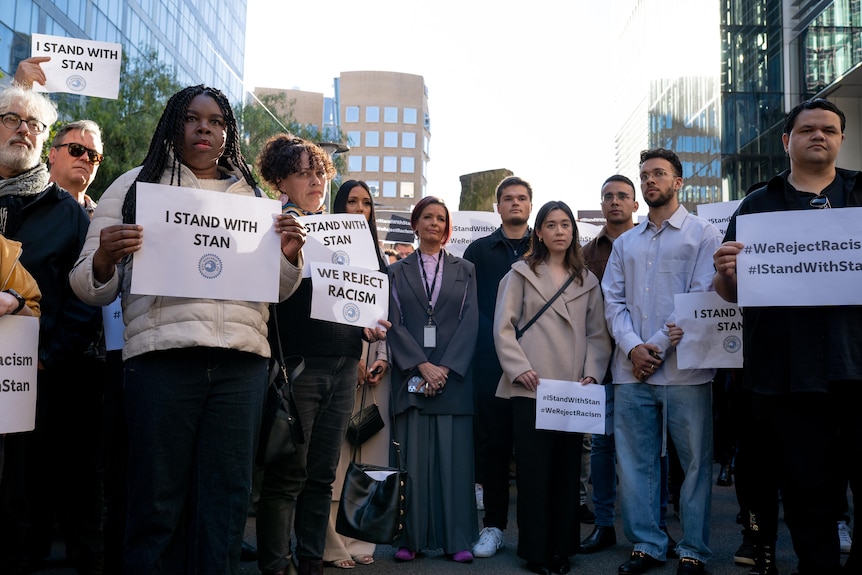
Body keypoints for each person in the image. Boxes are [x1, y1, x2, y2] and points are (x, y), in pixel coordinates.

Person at [69, 85, 305, 574]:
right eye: (193, 118)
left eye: (217, 121)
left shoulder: (252, 196)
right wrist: (106, 258)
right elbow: (87, 287)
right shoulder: (136, 186)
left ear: (227, 132)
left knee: (225, 502)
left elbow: (278, 292)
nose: (205, 127)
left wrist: (288, 258)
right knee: (156, 501)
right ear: (174, 125)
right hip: (161, 361)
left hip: (241, 366)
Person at [713, 97, 862, 575]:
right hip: (789, 377)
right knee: (806, 493)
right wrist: (726, 272)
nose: (818, 135)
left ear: (840, 139)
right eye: (806, 129)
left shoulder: (861, 195)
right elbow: (730, 295)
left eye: (828, 129)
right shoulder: (758, 204)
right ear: (787, 141)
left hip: (856, 368)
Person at [254, 141, 388, 575]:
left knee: (323, 472)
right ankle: (277, 563)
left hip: (345, 359)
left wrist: (368, 322)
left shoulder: (346, 230)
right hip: (299, 363)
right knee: (288, 471)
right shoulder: (269, 227)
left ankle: (311, 560)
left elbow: (362, 296)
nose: (316, 181)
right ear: (280, 181)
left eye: (320, 172)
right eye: (303, 173)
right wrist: (286, 249)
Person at [603, 148, 722, 575]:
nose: (651, 180)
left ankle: (693, 549)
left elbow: (699, 297)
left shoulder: (703, 234)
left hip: (686, 370)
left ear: (679, 182)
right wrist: (633, 348)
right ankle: (648, 544)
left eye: (659, 174)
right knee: (634, 464)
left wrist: (650, 349)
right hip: (629, 370)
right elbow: (611, 300)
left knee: (693, 464)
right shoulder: (625, 243)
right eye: (645, 175)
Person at [0, 83, 103, 574]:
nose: (23, 129)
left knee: (24, 492)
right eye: (10, 118)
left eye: (34, 124)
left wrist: (50, 355)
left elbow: (86, 295)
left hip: (33, 379)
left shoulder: (67, 214)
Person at [493, 200, 611, 575]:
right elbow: (502, 328)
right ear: (538, 232)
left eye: (566, 224)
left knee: (566, 473)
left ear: (573, 231)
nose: (560, 231)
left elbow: (598, 334)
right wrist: (519, 368)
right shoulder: (519, 274)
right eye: (551, 225)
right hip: (532, 387)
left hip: (572, 390)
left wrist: (592, 374)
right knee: (534, 473)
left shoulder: (587, 280)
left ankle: (562, 548)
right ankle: (536, 552)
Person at [386, 196, 478, 563]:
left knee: (455, 465)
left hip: (452, 378)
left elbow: (471, 321)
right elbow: (393, 322)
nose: (434, 223)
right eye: (427, 217)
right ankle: (411, 539)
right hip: (411, 376)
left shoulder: (466, 269)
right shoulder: (396, 270)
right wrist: (421, 365)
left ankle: (457, 540)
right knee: (413, 463)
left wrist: (444, 369)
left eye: (441, 218)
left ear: (447, 227)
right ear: (416, 223)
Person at [461, 175, 532, 559]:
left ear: (530, 205)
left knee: (534, 448)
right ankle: (494, 526)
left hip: (540, 363)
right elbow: (470, 308)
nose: (515, 204)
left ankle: (535, 528)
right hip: (490, 363)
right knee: (494, 446)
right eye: (508, 199)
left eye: (522, 198)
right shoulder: (478, 251)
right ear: (498, 206)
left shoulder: (546, 246)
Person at [322, 180, 391, 569]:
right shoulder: (323, 247)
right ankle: (330, 544)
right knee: (335, 457)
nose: (359, 208)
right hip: (337, 358)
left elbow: (382, 314)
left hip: (373, 366)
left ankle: (359, 538)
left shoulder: (379, 256)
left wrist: (380, 357)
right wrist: (353, 355)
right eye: (352, 201)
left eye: (366, 203)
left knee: (367, 453)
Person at [579, 174, 639, 555]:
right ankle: (603, 525)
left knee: (648, 449)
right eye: (608, 197)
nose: (614, 202)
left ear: (635, 204)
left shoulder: (651, 241)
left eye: (622, 196)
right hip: (602, 364)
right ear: (601, 205)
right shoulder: (586, 253)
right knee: (601, 447)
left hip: (644, 359)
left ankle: (654, 526)